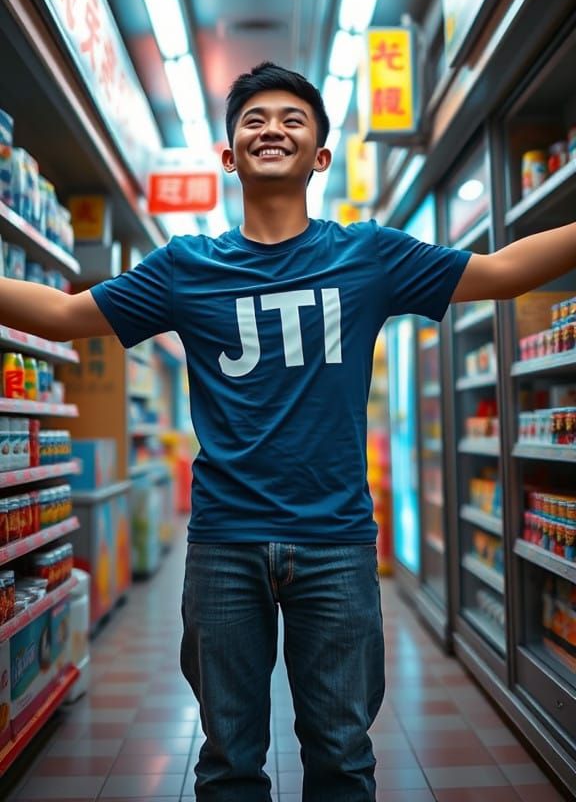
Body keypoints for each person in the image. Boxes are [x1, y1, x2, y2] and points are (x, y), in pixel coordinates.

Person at [1, 61, 574, 802]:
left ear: (321, 156)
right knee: (228, 760)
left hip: (336, 540)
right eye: (255, 119)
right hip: (224, 542)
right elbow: (64, 316)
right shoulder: (186, 268)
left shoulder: (369, 255)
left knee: (342, 756)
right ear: (229, 155)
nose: (273, 128)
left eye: (293, 119)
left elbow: (501, 272)